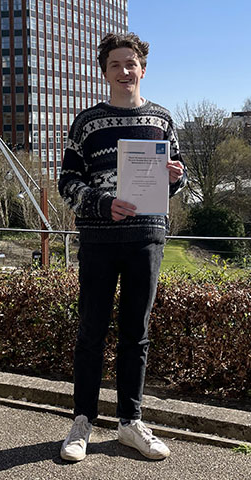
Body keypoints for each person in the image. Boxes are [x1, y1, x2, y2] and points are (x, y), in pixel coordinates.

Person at [58, 32, 186, 462]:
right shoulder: (86, 123)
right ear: (104, 72)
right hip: (98, 239)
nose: (124, 71)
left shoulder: (163, 120)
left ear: (142, 69)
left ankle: (131, 423)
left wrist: (175, 177)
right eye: (115, 64)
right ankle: (83, 422)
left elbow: (178, 179)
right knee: (91, 331)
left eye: (130, 63)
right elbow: (67, 182)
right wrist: (101, 202)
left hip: (147, 238)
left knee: (137, 334)